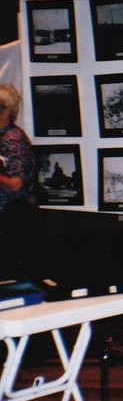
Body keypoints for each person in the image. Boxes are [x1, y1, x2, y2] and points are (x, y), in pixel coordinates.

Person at [0, 84, 38, 278]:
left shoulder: (13, 139)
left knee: (9, 274)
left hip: (12, 219)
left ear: (5, 111)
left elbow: (16, 184)